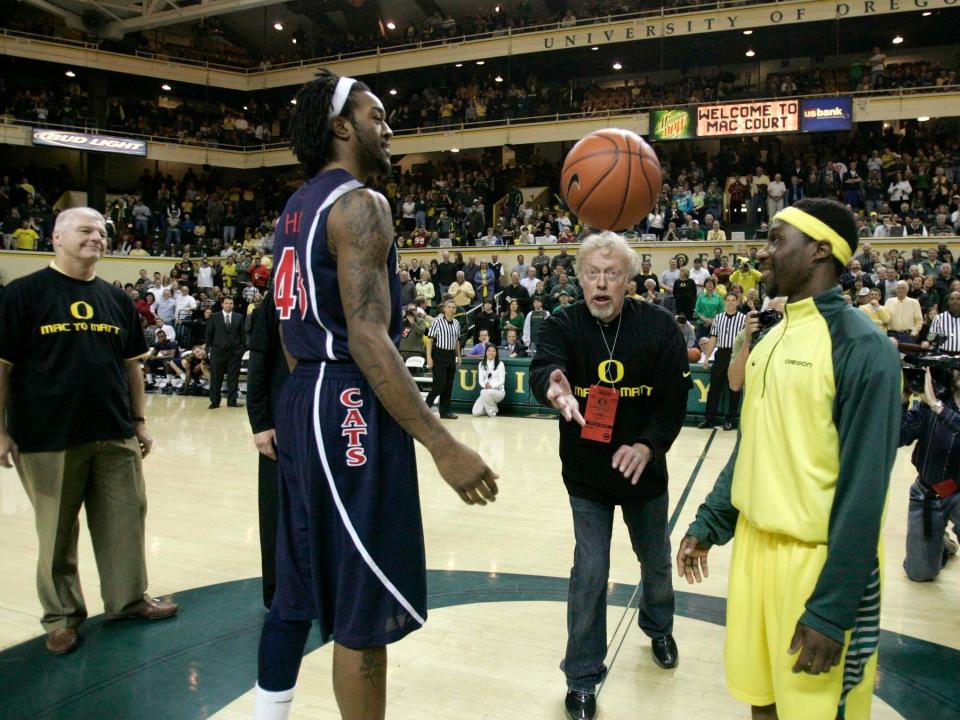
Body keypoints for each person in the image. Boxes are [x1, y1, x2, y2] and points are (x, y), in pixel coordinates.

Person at [255, 72, 498, 720]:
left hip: (305, 393)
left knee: (298, 586)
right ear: (341, 126)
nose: (388, 129)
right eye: (377, 115)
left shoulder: (295, 207)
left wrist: (307, 400)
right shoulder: (361, 204)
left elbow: (288, 330)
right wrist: (442, 443)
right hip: (346, 401)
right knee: (363, 603)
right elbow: (366, 335)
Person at [678, 199, 901, 720]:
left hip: (818, 562)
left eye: (777, 240)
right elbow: (754, 446)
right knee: (762, 701)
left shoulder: (863, 346)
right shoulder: (772, 338)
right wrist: (710, 522)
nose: (763, 252)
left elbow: (865, 489)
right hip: (755, 550)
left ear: (820, 250)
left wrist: (831, 608)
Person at [0, 207, 177, 657]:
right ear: (56, 237)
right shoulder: (22, 294)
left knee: (125, 519)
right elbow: (2, 368)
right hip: (47, 437)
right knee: (57, 533)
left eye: (102, 232)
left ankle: (128, 600)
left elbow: (132, 366)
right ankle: (61, 619)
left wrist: (139, 421)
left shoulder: (116, 299)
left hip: (114, 431)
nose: (97, 237)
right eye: (85, 230)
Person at [530, 232, 691, 720]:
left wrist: (647, 445)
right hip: (587, 473)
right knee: (591, 572)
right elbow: (545, 368)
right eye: (593, 274)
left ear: (630, 279)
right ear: (579, 277)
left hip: (644, 471)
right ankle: (581, 677)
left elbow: (673, 402)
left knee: (656, 562)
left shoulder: (659, 327)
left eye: (612, 274)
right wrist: (552, 387)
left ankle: (658, 624)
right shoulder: (562, 323)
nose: (601, 284)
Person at [245, 292, 290, 610]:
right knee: (277, 509)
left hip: (322, 420)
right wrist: (260, 423)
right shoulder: (273, 302)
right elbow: (258, 365)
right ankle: (278, 593)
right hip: (280, 422)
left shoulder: (333, 290)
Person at [899, 367, 960, 582]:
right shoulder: (930, 404)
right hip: (928, 493)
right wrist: (904, 399)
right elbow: (897, 438)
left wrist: (937, 407)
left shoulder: (935, 404)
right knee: (920, 574)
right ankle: (940, 544)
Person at [698, 293, 747, 431]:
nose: (730, 303)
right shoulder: (718, 318)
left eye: (733, 300)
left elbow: (746, 339)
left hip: (735, 354)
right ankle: (709, 419)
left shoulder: (743, 319)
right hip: (721, 354)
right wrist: (707, 357)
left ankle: (730, 420)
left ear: (737, 302)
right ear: (725, 302)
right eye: (728, 300)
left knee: (734, 388)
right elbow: (713, 338)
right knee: (714, 388)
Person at [204, 296, 245, 408]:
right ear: (222, 304)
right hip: (217, 352)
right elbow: (208, 334)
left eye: (231, 303)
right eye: (226, 303)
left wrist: (241, 350)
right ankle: (215, 402)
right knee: (216, 378)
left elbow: (242, 335)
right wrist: (208, 348)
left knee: (233, 378)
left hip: (234, 353)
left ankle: (232, 401)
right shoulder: (214, 316)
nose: (229, 305)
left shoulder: (239, 317)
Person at [425, 299, 461, 419]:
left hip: (451, 355)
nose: (452, 309)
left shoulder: (456, 323)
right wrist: (429, 357)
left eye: (454, 307)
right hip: (439, 354)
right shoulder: (437, 322)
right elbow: (430, 340)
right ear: (444, 308)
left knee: (449, 385)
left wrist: (459, 355)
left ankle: (445, 412)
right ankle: (425, 407)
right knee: (439, 384)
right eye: (449, 307)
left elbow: (456, 341)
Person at [472, 343, 506, 417]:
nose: (491, 353)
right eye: (489, 351)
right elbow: (480, 381)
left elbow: (502, 381)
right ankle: (490, 406)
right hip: (486, 391)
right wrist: (485, 385)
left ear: (496, 353)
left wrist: (491, 386)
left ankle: (492, 412)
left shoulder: (500, 364)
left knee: (483, 392)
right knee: (475, 412)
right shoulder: (481, 364)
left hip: (499, 392)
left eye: (493, 351)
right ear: (486, 352)